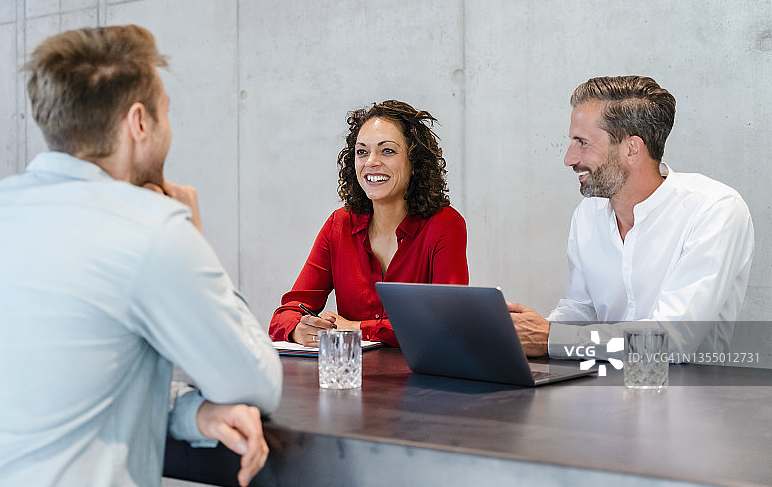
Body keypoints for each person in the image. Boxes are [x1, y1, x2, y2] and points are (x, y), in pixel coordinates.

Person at [0, 25, 282, 487]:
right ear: (139, 122)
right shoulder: (151, 229)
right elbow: (256, 383)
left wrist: (186, 413)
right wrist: (196, 239)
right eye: (166, 114)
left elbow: (58, 391)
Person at [508, 76, 754, 359]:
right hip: (599, 392)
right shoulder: (588, 215)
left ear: (631, 148)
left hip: (690, 396)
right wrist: (527, 332)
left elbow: (673, 340)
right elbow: (581, 309)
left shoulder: (714, 209)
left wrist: (552, 339)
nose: (569, 158)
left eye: (582, 142)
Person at [268, 100, 468, 347]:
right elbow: (287, 311)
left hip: (421, 379)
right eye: (362, 151)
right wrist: (298, 329)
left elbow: (446, 323)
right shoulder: (339, 224)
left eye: (387, 151)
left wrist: (356, 328)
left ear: (414, 163)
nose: (371, 161)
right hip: (352, 377)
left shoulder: (445, 225)